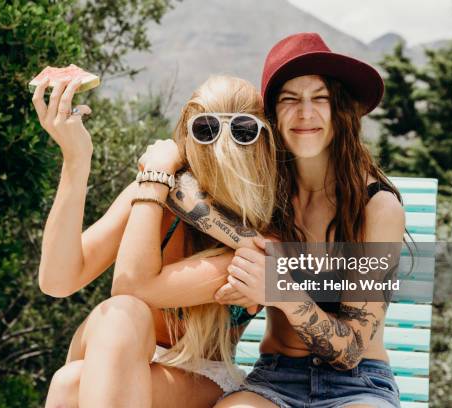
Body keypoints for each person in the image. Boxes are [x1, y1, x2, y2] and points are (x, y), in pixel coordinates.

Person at [167, 33, 405, 407]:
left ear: (339, 110)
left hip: (359, 385)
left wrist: (279, 286)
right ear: (272, 117)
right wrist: (252, 245)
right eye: (289, 100)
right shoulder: (264, 192)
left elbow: (351, 349)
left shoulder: (377, 206)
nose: (305, 113)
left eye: (319, 99)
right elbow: (183, 187)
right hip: (275, 378)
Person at [32, 74, 277, 407]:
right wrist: (76, 160)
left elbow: (131, 285)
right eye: (205, 129)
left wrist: (153, 178)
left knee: (69, 384)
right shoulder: (156, 194)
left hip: (201, 373)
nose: (223, 146)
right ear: (185, 137)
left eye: (243, 131)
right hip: (120, 345)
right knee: (121, 315)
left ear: (265, 141)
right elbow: (57, 280)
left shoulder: (264, 231)